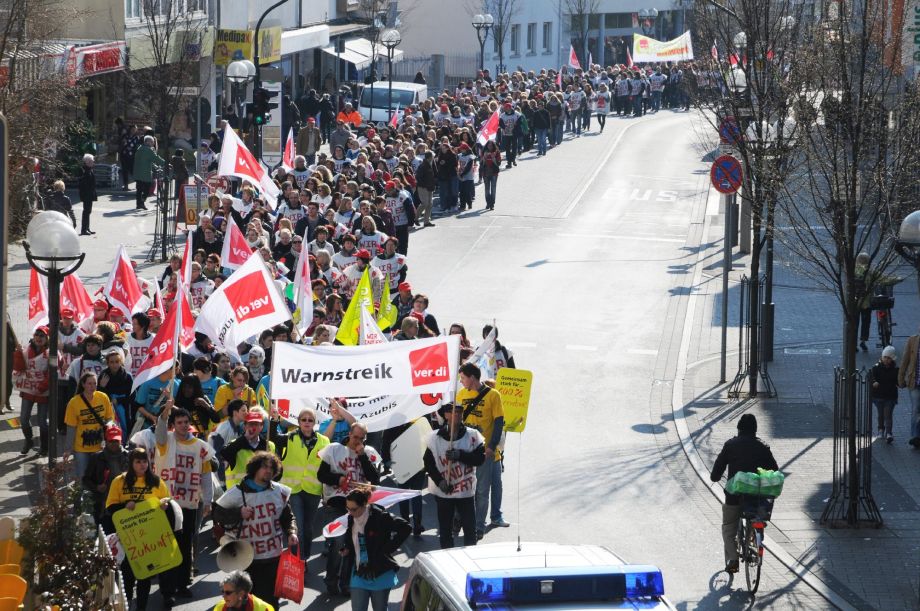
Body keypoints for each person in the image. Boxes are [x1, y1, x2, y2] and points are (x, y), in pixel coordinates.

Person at [213, 451, 297, 610]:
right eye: (264, 467)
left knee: (270, 602)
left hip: (272, 556)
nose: (268, 471)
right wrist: (239, 513)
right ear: (255, 469)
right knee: (247, 603)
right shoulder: (237, 493)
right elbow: (217, 514)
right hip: (245, 559)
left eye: (272, 468)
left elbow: (287, 516)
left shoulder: (280, 491)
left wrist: (292, 532)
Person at [154, 399, 215, 603]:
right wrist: (165, 412)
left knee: (185, 544)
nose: (181, 425)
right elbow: (160, 432)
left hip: (190, 504)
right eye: (178, 422)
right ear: (174, 424)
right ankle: (167, 590)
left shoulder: (200, 446)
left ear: (189, 423)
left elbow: (206, 476)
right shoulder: (166, 440)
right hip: (168, 503)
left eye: (184, 422)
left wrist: (208, 501)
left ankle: (181, 584)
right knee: (167, 545)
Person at [317, 422, 382, 596]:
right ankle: (332, 579)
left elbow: (375, 479)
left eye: (362, 439)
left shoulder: (368, 453)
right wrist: (337, 479)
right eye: (355, 437)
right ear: (349, 435)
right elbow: (321, 475)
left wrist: (362, 457)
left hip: (358, 507)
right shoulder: (334, 450)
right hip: (337, 502)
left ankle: (346, 582)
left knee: (353, 545)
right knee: (339, 542)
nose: (357, 441)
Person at [709, 414, 779, 573]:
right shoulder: (763, 447)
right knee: (754, 515)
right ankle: (753, 539)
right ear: (755, 430)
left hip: (734, 496)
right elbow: (775, 471)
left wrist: (716, 477)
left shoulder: (731, 445)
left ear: (739, 429)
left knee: (729, 527)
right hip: (757, 497)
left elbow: (715, 474)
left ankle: (733, 560)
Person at [105, 447, 172, 611]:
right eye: (138, 462)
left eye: (145, 461)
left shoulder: (156, 481)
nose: (142, 465)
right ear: (131, 463)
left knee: (145, 575)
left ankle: (141, 607)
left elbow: (167, 501)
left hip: (150, 538)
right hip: (128, 536)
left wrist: (164, 506)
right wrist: (124, 506)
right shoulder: (119, 481)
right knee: (127, 576)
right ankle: (127, 605)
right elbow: (110, 507)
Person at [269, 405, 330, 564]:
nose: (307, 422)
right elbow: (273, 438)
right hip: (293, 489)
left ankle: (305, 557)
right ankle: (299, 560)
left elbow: (326, 467)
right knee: (299, 527)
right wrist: (274, 420)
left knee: (308, 527)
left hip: (313, 490)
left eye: (310, 420)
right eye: (304, 420)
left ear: (315, 422)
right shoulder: (290, 437)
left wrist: (326, 493)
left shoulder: (324, 441)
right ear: (298, 422)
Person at [423, 403, 485, 549]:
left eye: (459, 411)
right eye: (452, 412)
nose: (456, 414)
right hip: (445, 492)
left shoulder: (473, 435)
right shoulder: (434, 438)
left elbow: (480, 459)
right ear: (445, 415)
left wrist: (460, 455)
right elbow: (428, 463)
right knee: (445, 531)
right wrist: (440, 482)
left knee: (470, 531)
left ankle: (470, 558)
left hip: (465, 492)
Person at [456, 362, 507, 540]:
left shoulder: (494, 395)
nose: (461, 381)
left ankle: (478, 526)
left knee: (482, 491)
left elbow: (499, 422)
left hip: (484, 452)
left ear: (472, 377)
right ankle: (458, 521)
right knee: (462, 489)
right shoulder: (461, 394)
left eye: (463, 378)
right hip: (464, 452)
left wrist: (491, 447)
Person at [342, 486, 411, 611]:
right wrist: (347, 548)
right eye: (347, 509)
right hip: (359, 573)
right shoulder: (351, 517)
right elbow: (350, 536)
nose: (350, 512)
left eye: (353, 509)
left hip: (380, 574)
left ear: (364, 505)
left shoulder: (380, 517)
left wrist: (387, 549)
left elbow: (406, 527)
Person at [65, 370, 116, 480]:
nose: (92, 386)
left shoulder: (103, 397)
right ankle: (82, 496)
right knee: (82, 477)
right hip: (81, 448)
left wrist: (109, 427)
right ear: (83, 384)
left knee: (99, 477)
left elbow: (110, 418)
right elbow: (71, 427)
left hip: (99, 446)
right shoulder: (74, 403)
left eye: (94, 383)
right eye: (89, 383)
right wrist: (68, 449)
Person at [12, 326, 51, 455]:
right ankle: (28, 441)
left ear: (47, 339)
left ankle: (44, 446)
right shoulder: (25, 350)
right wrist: (17, 354)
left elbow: (52, 373)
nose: (39, 338)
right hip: (28, 391)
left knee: (42, 422)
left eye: (42, 336)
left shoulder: (52, 353)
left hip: (43, 392)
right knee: (23, 419)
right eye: (37, 335)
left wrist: (42, 387)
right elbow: (19, 368)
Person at [82, 425, 129, 524]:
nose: (114, 444)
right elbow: (86, 480)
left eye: (116, 441)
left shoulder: (129, 456)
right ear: (106, 441)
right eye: (111, 441)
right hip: (102, 505)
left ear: (121, 441)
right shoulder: (96, 458)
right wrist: (97, 487)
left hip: (124, 504)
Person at [220, 408, 275, 489]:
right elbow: (224, 455)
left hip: (260, 492)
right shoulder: (234, 443)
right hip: (238, 492)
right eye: (250, 424)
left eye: (256, 424)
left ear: (261, 427)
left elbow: (275, 469)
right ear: (245, 426)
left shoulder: (269, 445)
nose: (253, 427)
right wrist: (244, 439)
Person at [871, 346, 899, 443]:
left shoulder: (896, 370)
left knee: (888, 415)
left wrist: (902, 382)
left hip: (890, 397)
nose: (886, 360)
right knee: (880, 415)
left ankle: (889, 433)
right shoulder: (876, 368)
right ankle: (881, 429)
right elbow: (871, 377)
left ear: (892, 359)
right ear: (882, 357)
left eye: (889, 358)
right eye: (885, 357)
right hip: (878, 396)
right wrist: (874, 382)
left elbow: (898, 382)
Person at [898, 327, 920, 447]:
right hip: (915, 382)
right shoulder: (912, 341)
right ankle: (915, 436)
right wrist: (901, 378)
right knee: (916, 409)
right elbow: (905, 360)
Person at [133, 135, 165, 211]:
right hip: (145, 173)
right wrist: (166, 164)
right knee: (147, 189)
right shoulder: (148, 150)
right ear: (147, 141)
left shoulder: (139, 148)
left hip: (137, 172)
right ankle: (142, 201)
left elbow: (148, 160)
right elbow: (156, 158)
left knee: (139, 189)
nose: (153, 144)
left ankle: (139, 204)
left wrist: (155, 166)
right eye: (152, 142)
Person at [78, 154, 98, 235]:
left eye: (92, 161)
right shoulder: (84, 171)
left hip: (89, 194)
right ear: (87, 162)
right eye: (91, 161)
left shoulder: (89, 169)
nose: (93, 162)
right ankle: (83, 230)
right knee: (86, 212)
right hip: (86, 195)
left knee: (88, 211)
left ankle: (87, 228)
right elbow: (83, 184)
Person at [479, 140, 501, 210]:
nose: (490, 147)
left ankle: (492, 204)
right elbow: (481, 163)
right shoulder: (484, 152)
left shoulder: (496, 152)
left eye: (491, 145)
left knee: (493, 189)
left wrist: (493, 158)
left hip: (494, 173)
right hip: (485, 173)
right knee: (487, 189)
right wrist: (484, 158)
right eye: (489, 145)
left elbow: (498, 163)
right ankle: (488, 203)